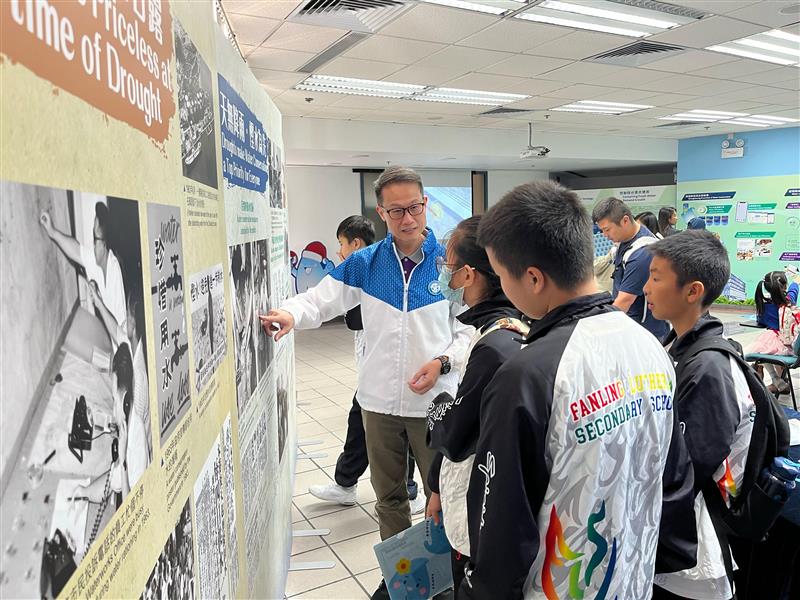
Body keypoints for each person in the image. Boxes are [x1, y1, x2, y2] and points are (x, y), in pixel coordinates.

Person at [460, 181, 695, 599]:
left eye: (499, 275)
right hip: (632, 579)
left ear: (533, 278)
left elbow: (501, 526)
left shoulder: (528, 374)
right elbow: (673, 478)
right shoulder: (653, 347)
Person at [260, 166, 472, 600]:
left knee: (442, 494)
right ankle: (404, 578)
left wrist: (443, 361)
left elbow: (469, 327)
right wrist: (289, 314)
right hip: (378, 403)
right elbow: (320, 301)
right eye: (396, 211)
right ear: (381, 212)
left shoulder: (447, 263)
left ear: (425, 203)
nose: (407, 218)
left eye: (414, 207)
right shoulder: (366, 262)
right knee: (388, 498)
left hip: (434, 403)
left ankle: (449, 578)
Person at [644, 230, 770, 600]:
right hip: (679, 541)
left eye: (656, 277)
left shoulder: (708, 367)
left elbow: (689, 470)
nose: (646, 289)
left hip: (695, 555)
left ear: (693, 290)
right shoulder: (681, 348)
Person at [424, 215, 529, 596]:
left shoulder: (496, 344)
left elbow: (454, 430)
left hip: (479, 502)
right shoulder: (499, 330)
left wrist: (439, 403)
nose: (444, 276)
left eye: (448, 267)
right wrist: (435, 483)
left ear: (469, 275)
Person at [308, 215, 425, 515]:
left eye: (341, 245)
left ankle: (358, 484)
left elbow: (357, 319)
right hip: (377, 374)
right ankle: (359, 484)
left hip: (399, 374)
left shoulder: (374, 272)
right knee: (371, 429)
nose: (339, 252)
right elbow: (325, 306)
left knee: (389, 429)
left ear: (356, 243)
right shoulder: (369, 268)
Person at [593, 196, 670, 340]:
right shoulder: (628, 239)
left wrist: (600, 332)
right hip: (631, 325)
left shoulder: (642, 253)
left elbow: (625, 301)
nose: (605, 235)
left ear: (625, 220)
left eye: (607, 229)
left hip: (644, 334)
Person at [41, 201, 127, 330]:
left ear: (104, 245)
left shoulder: (115, 271)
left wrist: (99, 302)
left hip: (119, 346)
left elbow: (120, 331)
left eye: (95, 239)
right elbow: (76, 250)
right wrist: (52, 231)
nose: (92, 245)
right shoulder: (96, 259)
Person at [749, 270, 800, 395]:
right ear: (784, 286)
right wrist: (796, 278)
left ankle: (774, 378)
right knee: (766, 348)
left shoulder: (764, 305)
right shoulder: (789, 300)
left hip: (777, 343)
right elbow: (794, 288)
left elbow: (761, 321)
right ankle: (779, 380)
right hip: (793, 345)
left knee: (761, 348)